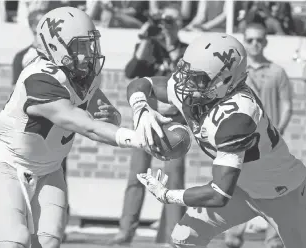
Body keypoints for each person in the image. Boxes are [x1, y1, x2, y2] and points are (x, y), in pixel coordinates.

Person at [0, 7, 152, 248]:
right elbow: (87, 127)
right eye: (82, 46)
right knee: (14, 241)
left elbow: (99, 116)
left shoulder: (82, 74)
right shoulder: (39, 79)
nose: (90, 53)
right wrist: (140, 139)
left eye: (91, 45)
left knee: (48, 242)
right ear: (57, 46)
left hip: (49, 170)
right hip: (7, 165)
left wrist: (112, 117)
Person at [126, 33, 306, 248]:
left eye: (198, 78)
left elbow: (219, 194)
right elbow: (142, 83)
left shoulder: (237, 115)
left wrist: (168, 195)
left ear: (227, 81)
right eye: (187, 73)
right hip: (242, 189)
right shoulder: (194, 86)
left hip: (283, 193)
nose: (187, 84)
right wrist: (141, 109)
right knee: (184, 237)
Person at [108, 5, 188, 245]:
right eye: (163, 21)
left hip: (175, 121)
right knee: (138, 176)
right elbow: (132, 71)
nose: (166, 25)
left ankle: (174, 235)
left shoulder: (186, 51)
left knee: (175, 179)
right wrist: (145, 38)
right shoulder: (150, 46)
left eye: (171, 21)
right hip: (147, 118)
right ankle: (126, 230)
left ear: (180, 24)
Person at [224, 21, 293, 248]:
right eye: (251, 40)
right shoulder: (235, 73)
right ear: (245, 41)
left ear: (266, 42)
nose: (255, 45)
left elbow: (286, 106)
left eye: (259, 40)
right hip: (241, 144)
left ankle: (274, 242)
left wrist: (279, 129)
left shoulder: (278, 72)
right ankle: (232, 239)